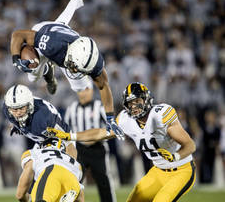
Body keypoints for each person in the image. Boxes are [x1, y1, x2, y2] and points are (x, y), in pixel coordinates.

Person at [46, 82, 197, 202]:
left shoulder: (160, 115)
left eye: (137, 101)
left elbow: (190, 145)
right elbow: (100, 133)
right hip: (158, 171)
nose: (134, 107)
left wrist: (175, 156)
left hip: (182, 170)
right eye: (130, 104)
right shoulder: (126, 119)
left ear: (146, 99)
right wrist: (70, 136)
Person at [10, 0, 125, 140]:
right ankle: (46, 70)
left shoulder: (94, 62)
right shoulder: (51, 44)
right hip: (48, 35)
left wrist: (110, 118)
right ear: (70, 54)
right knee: (32, 74)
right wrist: (16, 59)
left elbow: (103, 86)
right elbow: (18, 35)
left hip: (63, 46)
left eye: (81, 69)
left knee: (80, 87)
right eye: (74, 66)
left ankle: (47, 68)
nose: (75, 70)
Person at [64, 81, 116, 202]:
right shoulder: (72, 108)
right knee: (73, 180)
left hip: (98, 148)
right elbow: (65, 129)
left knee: (104, 181)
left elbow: (111, 127)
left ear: (92, 90)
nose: (83, 93)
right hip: (79, 150)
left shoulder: (100, 106)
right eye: (81, 90)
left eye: (87, 89)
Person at [2, 84, 77, 158]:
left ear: (30, 105)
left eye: (21, 108)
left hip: (56, 137)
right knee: (27, 163)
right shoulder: (7, 110)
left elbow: (67, 139)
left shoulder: (42, 117)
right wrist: (19, 127)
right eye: (15, 109)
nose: (18, 113)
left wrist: (71, 161)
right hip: (41, 140)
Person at [16, 137, 84, 202]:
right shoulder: (75, 163)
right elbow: (80, 195)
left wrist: (26, 199)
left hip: (52, 171)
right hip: (73, 182)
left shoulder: (35, 153)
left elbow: (20, 195)